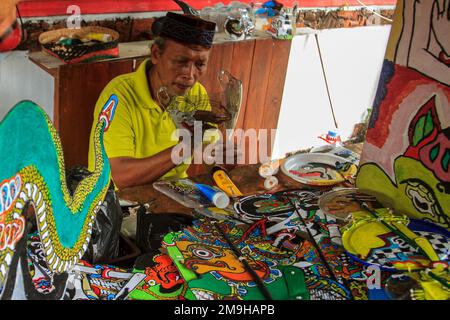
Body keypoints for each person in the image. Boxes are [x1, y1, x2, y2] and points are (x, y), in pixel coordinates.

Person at [88, 12, 231, 190]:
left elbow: (209, 151)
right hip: (120, 201)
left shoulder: (196, 93)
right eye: (181, 61)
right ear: (156, 54)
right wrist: (184, 149)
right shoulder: (120, 96)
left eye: (200, 64)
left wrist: (218, 156)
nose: (190, 75)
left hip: (174, 190)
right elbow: (118, 176)